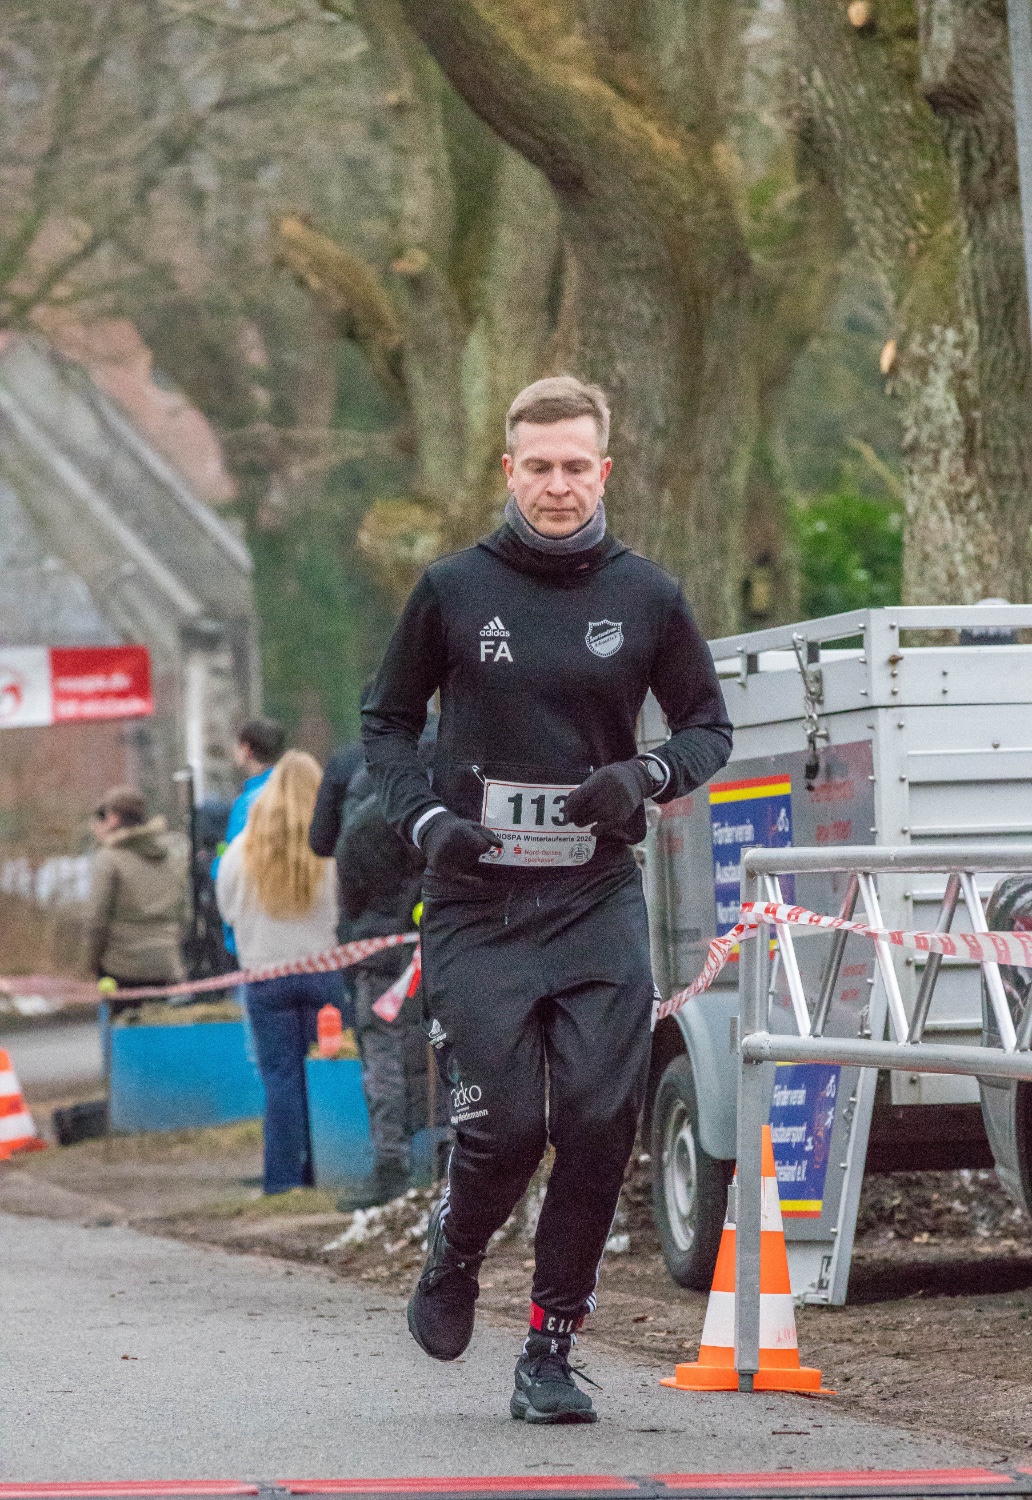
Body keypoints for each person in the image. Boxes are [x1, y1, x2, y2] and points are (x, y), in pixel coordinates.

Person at [362, 375, 733, 1425]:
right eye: (539, 467)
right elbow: (386, 723)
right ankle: (456, 1249)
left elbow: (707, 726)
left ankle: (551, 1348)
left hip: (594, 896)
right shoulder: (452, 589)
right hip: (477, 902)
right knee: (510, 1128)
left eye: (576, 466)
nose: (558, 486)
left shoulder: (648, 595)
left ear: (603, 471)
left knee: (603, 1119)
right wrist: (427, 821)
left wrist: (646, 776)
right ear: (509, 471)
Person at [216, 750, 344, 1195]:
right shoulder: (332, 847)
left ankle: (284, 1178)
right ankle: (329, 1167)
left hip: (265, 978)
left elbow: (227, 910)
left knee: (280, 1079)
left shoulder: (241, 850)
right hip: (325, 973)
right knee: (326, 1072)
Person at [83, 786, 190, 1016]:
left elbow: (97, 922)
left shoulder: (108, 860)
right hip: (166, 965)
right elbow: (182, 911)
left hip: (121, 969)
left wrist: (90, 965)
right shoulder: (167, 856)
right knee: (159, 1030)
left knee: (124, 1031)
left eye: (100, 818)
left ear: (113, 819)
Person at [215, 717, 286, 958]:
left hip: (257, 926)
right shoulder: (297, 792)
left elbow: (232, 866)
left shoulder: (248, 803)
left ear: (246, 750)